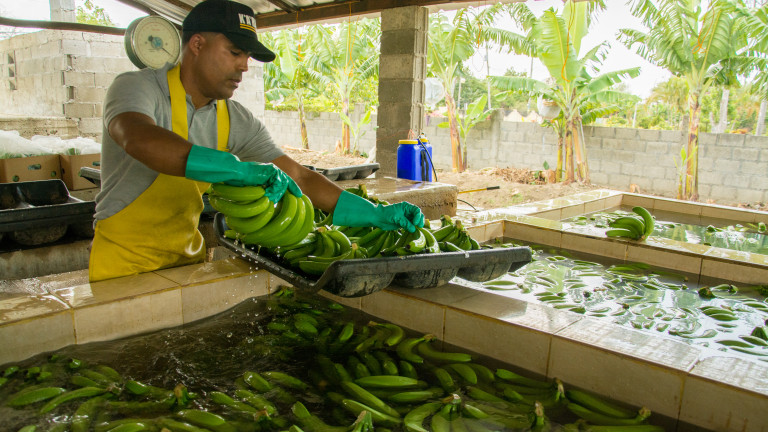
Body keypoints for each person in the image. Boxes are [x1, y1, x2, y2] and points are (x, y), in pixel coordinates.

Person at [89, 0, 424, 282]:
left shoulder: (235, 119)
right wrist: (237, 170)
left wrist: (376, 214)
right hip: (122, 266)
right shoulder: (138, 88)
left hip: (185, 261)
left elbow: (300, 177)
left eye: (247, 57)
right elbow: (138, 138)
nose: (244, 66)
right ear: (197, 45)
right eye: (235, 52)